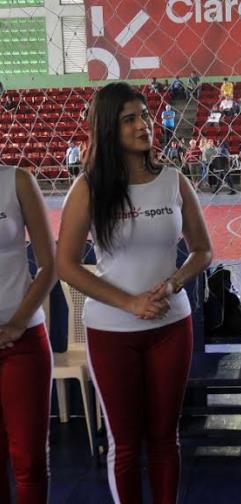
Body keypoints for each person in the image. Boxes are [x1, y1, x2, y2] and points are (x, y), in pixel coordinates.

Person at [56, 82, 212, 503]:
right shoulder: (89, 188)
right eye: (130, 119)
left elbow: (202, 250)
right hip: (110, 332)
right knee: (125, 444)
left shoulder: (174, 181)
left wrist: (174, 283)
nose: (143, 125)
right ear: (109, 128)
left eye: (144, 115)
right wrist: (130, 302)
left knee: (165, 438)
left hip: (171, 326)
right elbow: (66, 264)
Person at [0, 163, 55, 504]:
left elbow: (50, 263)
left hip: (23, 342)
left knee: (30, 462)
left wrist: (17, 323)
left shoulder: (17, 180)